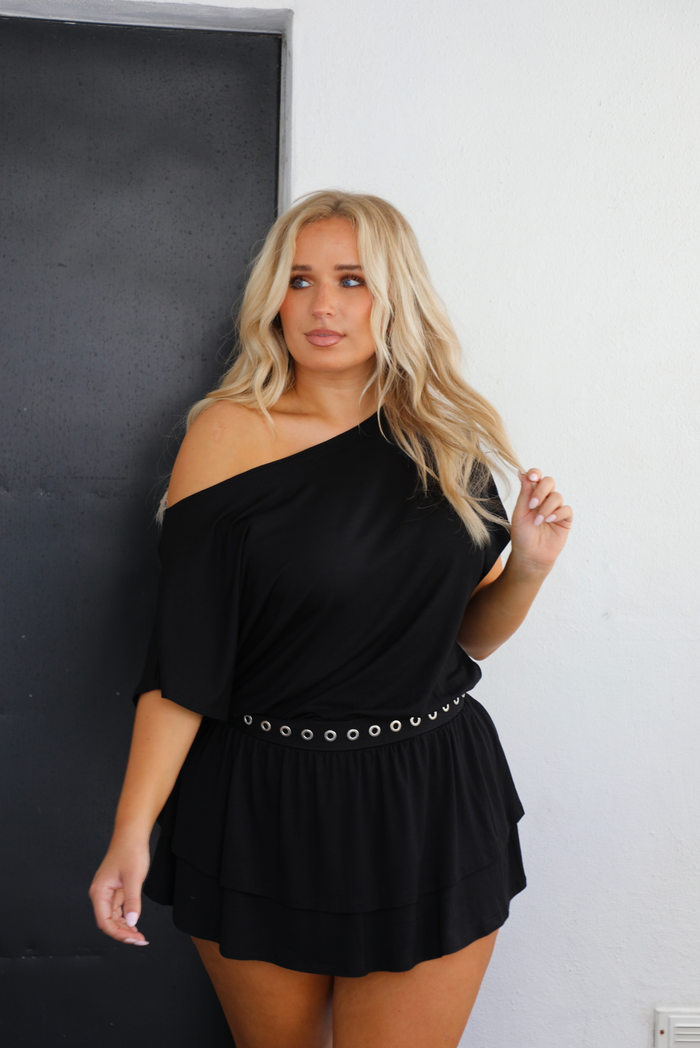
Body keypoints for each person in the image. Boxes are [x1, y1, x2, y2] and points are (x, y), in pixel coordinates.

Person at [89, 190, 572, 1048]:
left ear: (396, 295)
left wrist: (528, 567)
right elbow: (186, 661)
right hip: (266, 803)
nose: (322, 306)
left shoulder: (446, 439)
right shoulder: (228, 435)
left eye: (352, 280)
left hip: (428, 797)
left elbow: (457, 640)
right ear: (272, 297)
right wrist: (131, 833)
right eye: (300, 280)